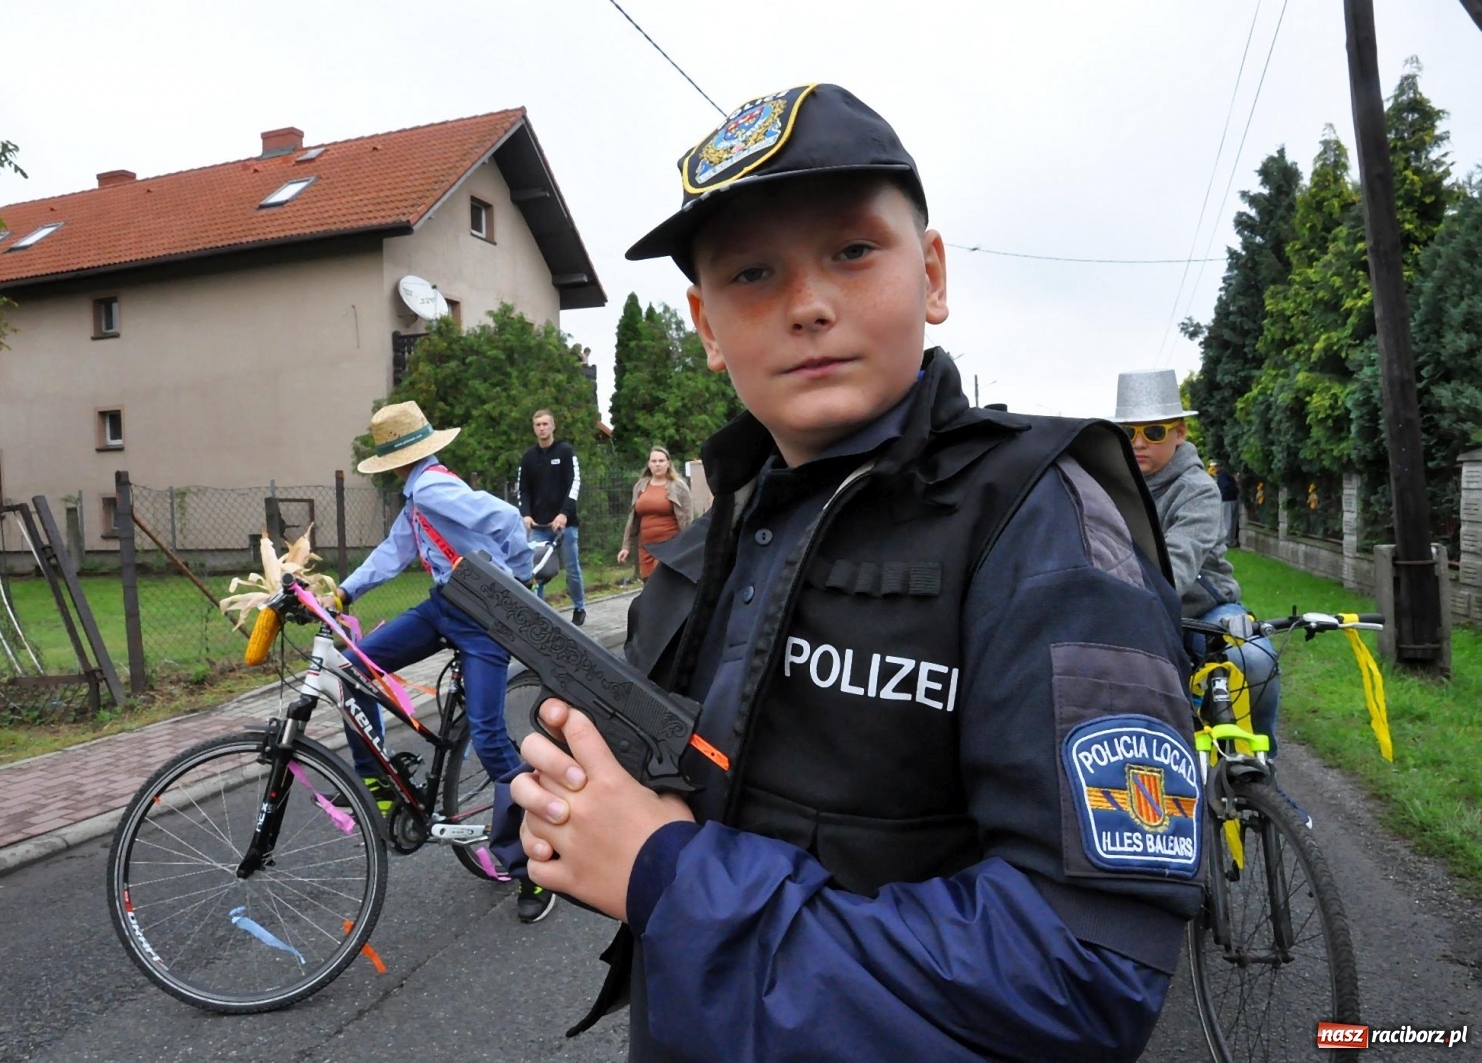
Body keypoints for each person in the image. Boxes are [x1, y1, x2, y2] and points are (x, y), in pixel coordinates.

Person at [506, 84, 1201, 1060]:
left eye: (851, 251)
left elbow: (1085, 975)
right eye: (753, 272)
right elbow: (664, 796)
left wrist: (666, 871)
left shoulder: (1037, 522)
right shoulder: (711, 542)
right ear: (707, 326)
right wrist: (563, 800)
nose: (808, 305)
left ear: (932, 274)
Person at [337, 400, 557, 924]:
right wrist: (344, 592)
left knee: (489, 737)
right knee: (352, 666)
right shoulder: (419, 496)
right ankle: (379, 785)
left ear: (394, 461)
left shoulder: (432, 488)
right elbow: (394, 551)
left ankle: (532, 866)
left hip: (481, 616)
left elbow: (506, 518)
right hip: (445, 605)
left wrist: (519, 577)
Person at [1113, 370, 1284, 768]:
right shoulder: (1106, 487)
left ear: (1180, 433)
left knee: (1255, 658)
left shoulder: (1198, 489)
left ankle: (1260, 765)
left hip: (1204, 612)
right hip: (1131, 610)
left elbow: (1178, 561)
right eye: (1127, 432)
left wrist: (1131, 609)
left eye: (1153, 431)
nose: (1138, 443)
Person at [517, 409, 588, 626]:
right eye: (538, 425)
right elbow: (523, 489)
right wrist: (526, 515)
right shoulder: (529, 457)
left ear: (553, 426)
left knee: (572, 567)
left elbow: (574, 483)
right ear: (534, 428)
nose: (542, 428)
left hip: (565, 525)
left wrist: (564, 513)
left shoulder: (565, 452)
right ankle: (537, 614)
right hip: (538, 526)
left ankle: (579, 607)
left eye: (545, 424)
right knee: (536, 570)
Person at [617, 446, 693, 580]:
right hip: (646, 547)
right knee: (648, 583)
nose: (657, 464)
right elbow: (633, 519)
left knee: (662, 582)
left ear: (668, 464)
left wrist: (687, 547)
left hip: (669, 547)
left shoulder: (678, 487)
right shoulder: (640, 486)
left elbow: (687, 519)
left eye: (661, 461)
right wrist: (626, 547)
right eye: (654, 461)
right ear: (649, 464)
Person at [1214, 461, 1241, 547]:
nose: (1215, 469)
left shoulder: (1222, 476)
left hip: (1227, 500)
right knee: (1232, 521)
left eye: (1216, 466)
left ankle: (1227, 541)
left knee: (1227, 520)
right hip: (1233, 499)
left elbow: (1226, 487)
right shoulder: (1226, 475)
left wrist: (1222, 495)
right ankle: (1231, 540)